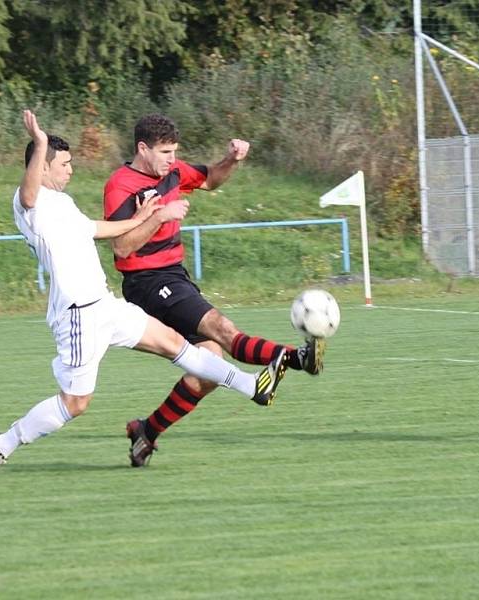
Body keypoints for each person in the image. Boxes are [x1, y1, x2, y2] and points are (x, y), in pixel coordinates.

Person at [0, 110, 287, 484]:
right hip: (78, 315)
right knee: (75, 403)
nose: (70, 170)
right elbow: (27, 193)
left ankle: (254, 387)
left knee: (175, 344)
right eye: (64, 164)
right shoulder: (32, 203)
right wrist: (40, 143)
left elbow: (99, 230)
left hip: (103, 305)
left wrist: (143, 218)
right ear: (42, 167)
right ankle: (3, 444)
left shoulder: (63, 204)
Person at [103, 114, 325, 467]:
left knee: (208, 369)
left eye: (174, 151)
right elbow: (121, 248)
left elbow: (210, 180)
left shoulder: (172, 172)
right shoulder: (122, 184)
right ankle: (298, 358)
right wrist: (158, 217)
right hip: (147, 283)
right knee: (221, 328)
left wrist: (231, 161)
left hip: (175, 276)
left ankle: (146, 431)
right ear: (142, 148)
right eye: (164, 152)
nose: (171, 159)